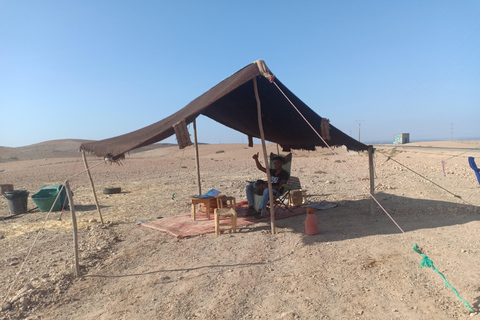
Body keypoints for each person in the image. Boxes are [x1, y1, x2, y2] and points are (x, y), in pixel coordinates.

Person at [246, 152, 290, 218]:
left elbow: (279, 187)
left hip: (276, 191)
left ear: (281, 163)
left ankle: (259, 211)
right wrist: (256, 159)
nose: (276, 165)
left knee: (266, 190)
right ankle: (251, 207)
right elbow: (260, 167)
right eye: (274, 163)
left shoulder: (284, 174)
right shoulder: (272, 171)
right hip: (267, 188)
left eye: (277, 163)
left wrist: (267, 186)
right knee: (249, 187)